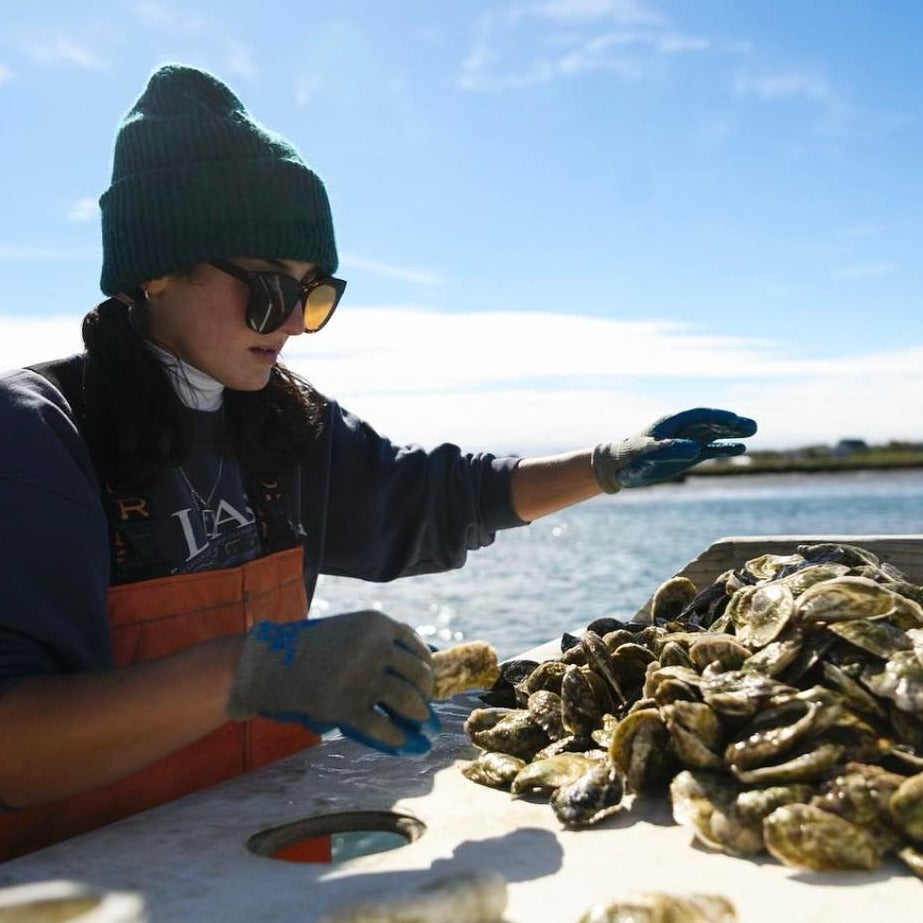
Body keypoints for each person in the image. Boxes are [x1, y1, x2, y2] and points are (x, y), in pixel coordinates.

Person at [0, 64, 757, 860]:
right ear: (152, 269)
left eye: (314, 292)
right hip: (86, 883)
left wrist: (602, 465)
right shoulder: (37, 436)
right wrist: (254, 668)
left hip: (269, 863)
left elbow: (435, 496)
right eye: (266, 289)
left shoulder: (282, 421)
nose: (292, 322)